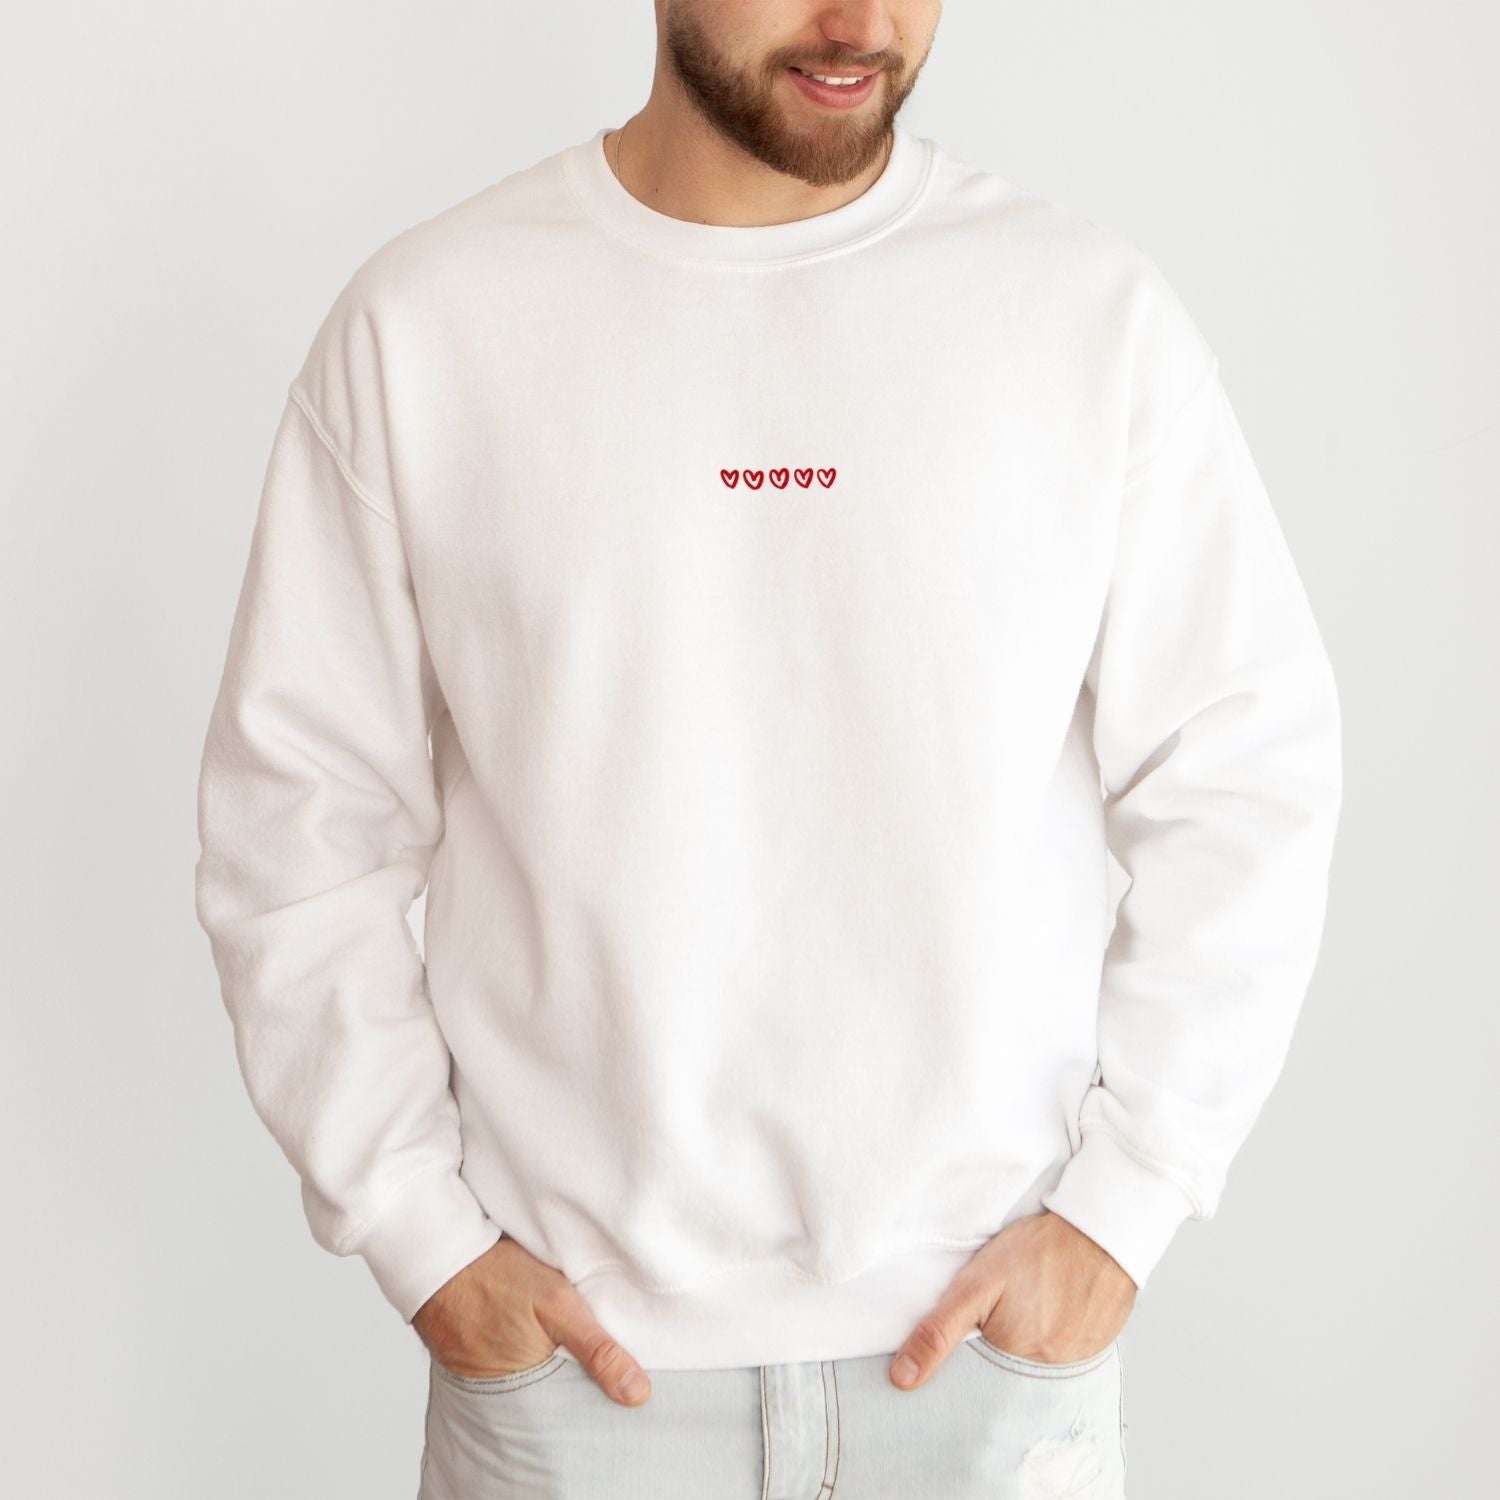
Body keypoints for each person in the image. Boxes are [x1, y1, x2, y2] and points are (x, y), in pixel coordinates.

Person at [193, 3, 1342, 1495]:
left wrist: (1126, 1209)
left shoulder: (1082, 316)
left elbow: (1246, 775)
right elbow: (298, 827)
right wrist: (422, 1240)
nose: (859, 23)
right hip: (574, 1393)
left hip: (988, 1377)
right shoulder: (430, 325)